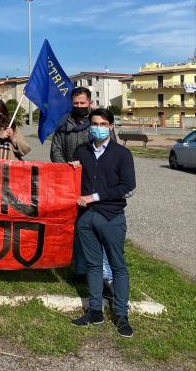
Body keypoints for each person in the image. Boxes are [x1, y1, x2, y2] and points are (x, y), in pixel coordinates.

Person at [69, 108, 136, 338]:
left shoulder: (122, 154)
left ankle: (121, 314)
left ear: (111, 127)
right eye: (94, 123)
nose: (98, 127)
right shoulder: (82, 151)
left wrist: (95, 197)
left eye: (103, 123)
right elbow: (71, 180)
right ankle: (95, 310)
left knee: (118, 266)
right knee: (94, 265)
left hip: (111, 217)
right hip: (86, 218)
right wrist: (71, 171)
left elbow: (127, 186)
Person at [50, 87, 114, 294]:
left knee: (100, 229)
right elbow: (56, 150)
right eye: (76, 103)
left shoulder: (97, 123)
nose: (79, 107)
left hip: (95, 184)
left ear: (89, 102)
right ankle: (79, 269)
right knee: (77, 228)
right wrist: (68, 169)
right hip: (71, 184)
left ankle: (105, 276)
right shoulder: (63, 124)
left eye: (82, 103)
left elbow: (110, 150)